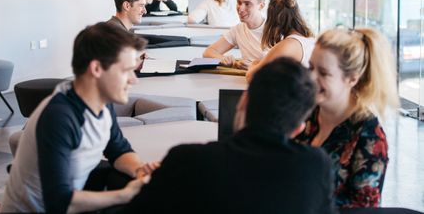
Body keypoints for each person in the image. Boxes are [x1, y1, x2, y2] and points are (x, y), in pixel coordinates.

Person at [124, 58, 337, 214]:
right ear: (299, 128)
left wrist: (155, 180)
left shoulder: (188, 159)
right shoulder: (316, 165)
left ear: (243, 101)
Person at [0, 23, 159, 213]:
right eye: (126, 70)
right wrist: (125, 194)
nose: (134, 79)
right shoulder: (59, 117)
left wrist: (140, 170)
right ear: (97, 69)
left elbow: (118, 149)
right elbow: (59, 202)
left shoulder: (101, 102)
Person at [295, 28, 399, 208]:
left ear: (352, 79)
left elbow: (362, 211)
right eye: (310, 67)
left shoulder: (369, 136)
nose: (311, 78)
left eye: (323, 73)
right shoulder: (305, 113)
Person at [245, 0, 314, 82]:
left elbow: (253, 77)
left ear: (273, 19)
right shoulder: (310, 40)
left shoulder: (289, 44)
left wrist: (253, 64)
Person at [203, 0, 267, 69]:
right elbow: (208, 52)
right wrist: (223, 59)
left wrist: (255, 66)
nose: (241, 8)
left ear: (261, 6)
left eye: (247, 4)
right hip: (246, 78)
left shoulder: (275, 28)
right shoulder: (238, 30)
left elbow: (285, 64)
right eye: (239, 3)